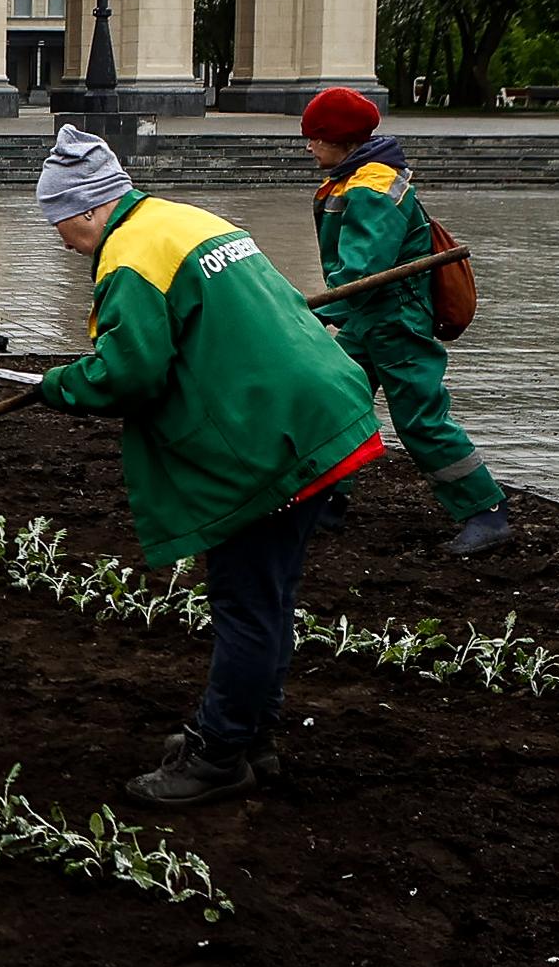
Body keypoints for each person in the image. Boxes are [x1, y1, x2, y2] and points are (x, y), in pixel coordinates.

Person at [30, 126, 386, 808]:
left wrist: (60, 385)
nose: (60, 239)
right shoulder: (183, 220)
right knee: (268, 598)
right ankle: (250, 735)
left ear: (88, 208)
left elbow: (129, 374)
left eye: (59, 223)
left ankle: (220, 754)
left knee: (245, 604)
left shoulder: (129, 255)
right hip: (313, 416)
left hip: (270, 440)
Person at [296, 86, 512, 556]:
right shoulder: (353, 178)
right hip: (368, 316)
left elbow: (363, 269)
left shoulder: (372, 187)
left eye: (314, 137)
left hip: (397, 319)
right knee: (335, 399)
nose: (308, 146)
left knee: (419, 417)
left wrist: (309, 311)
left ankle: (486, 512)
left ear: (339, 139)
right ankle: (328, 500)